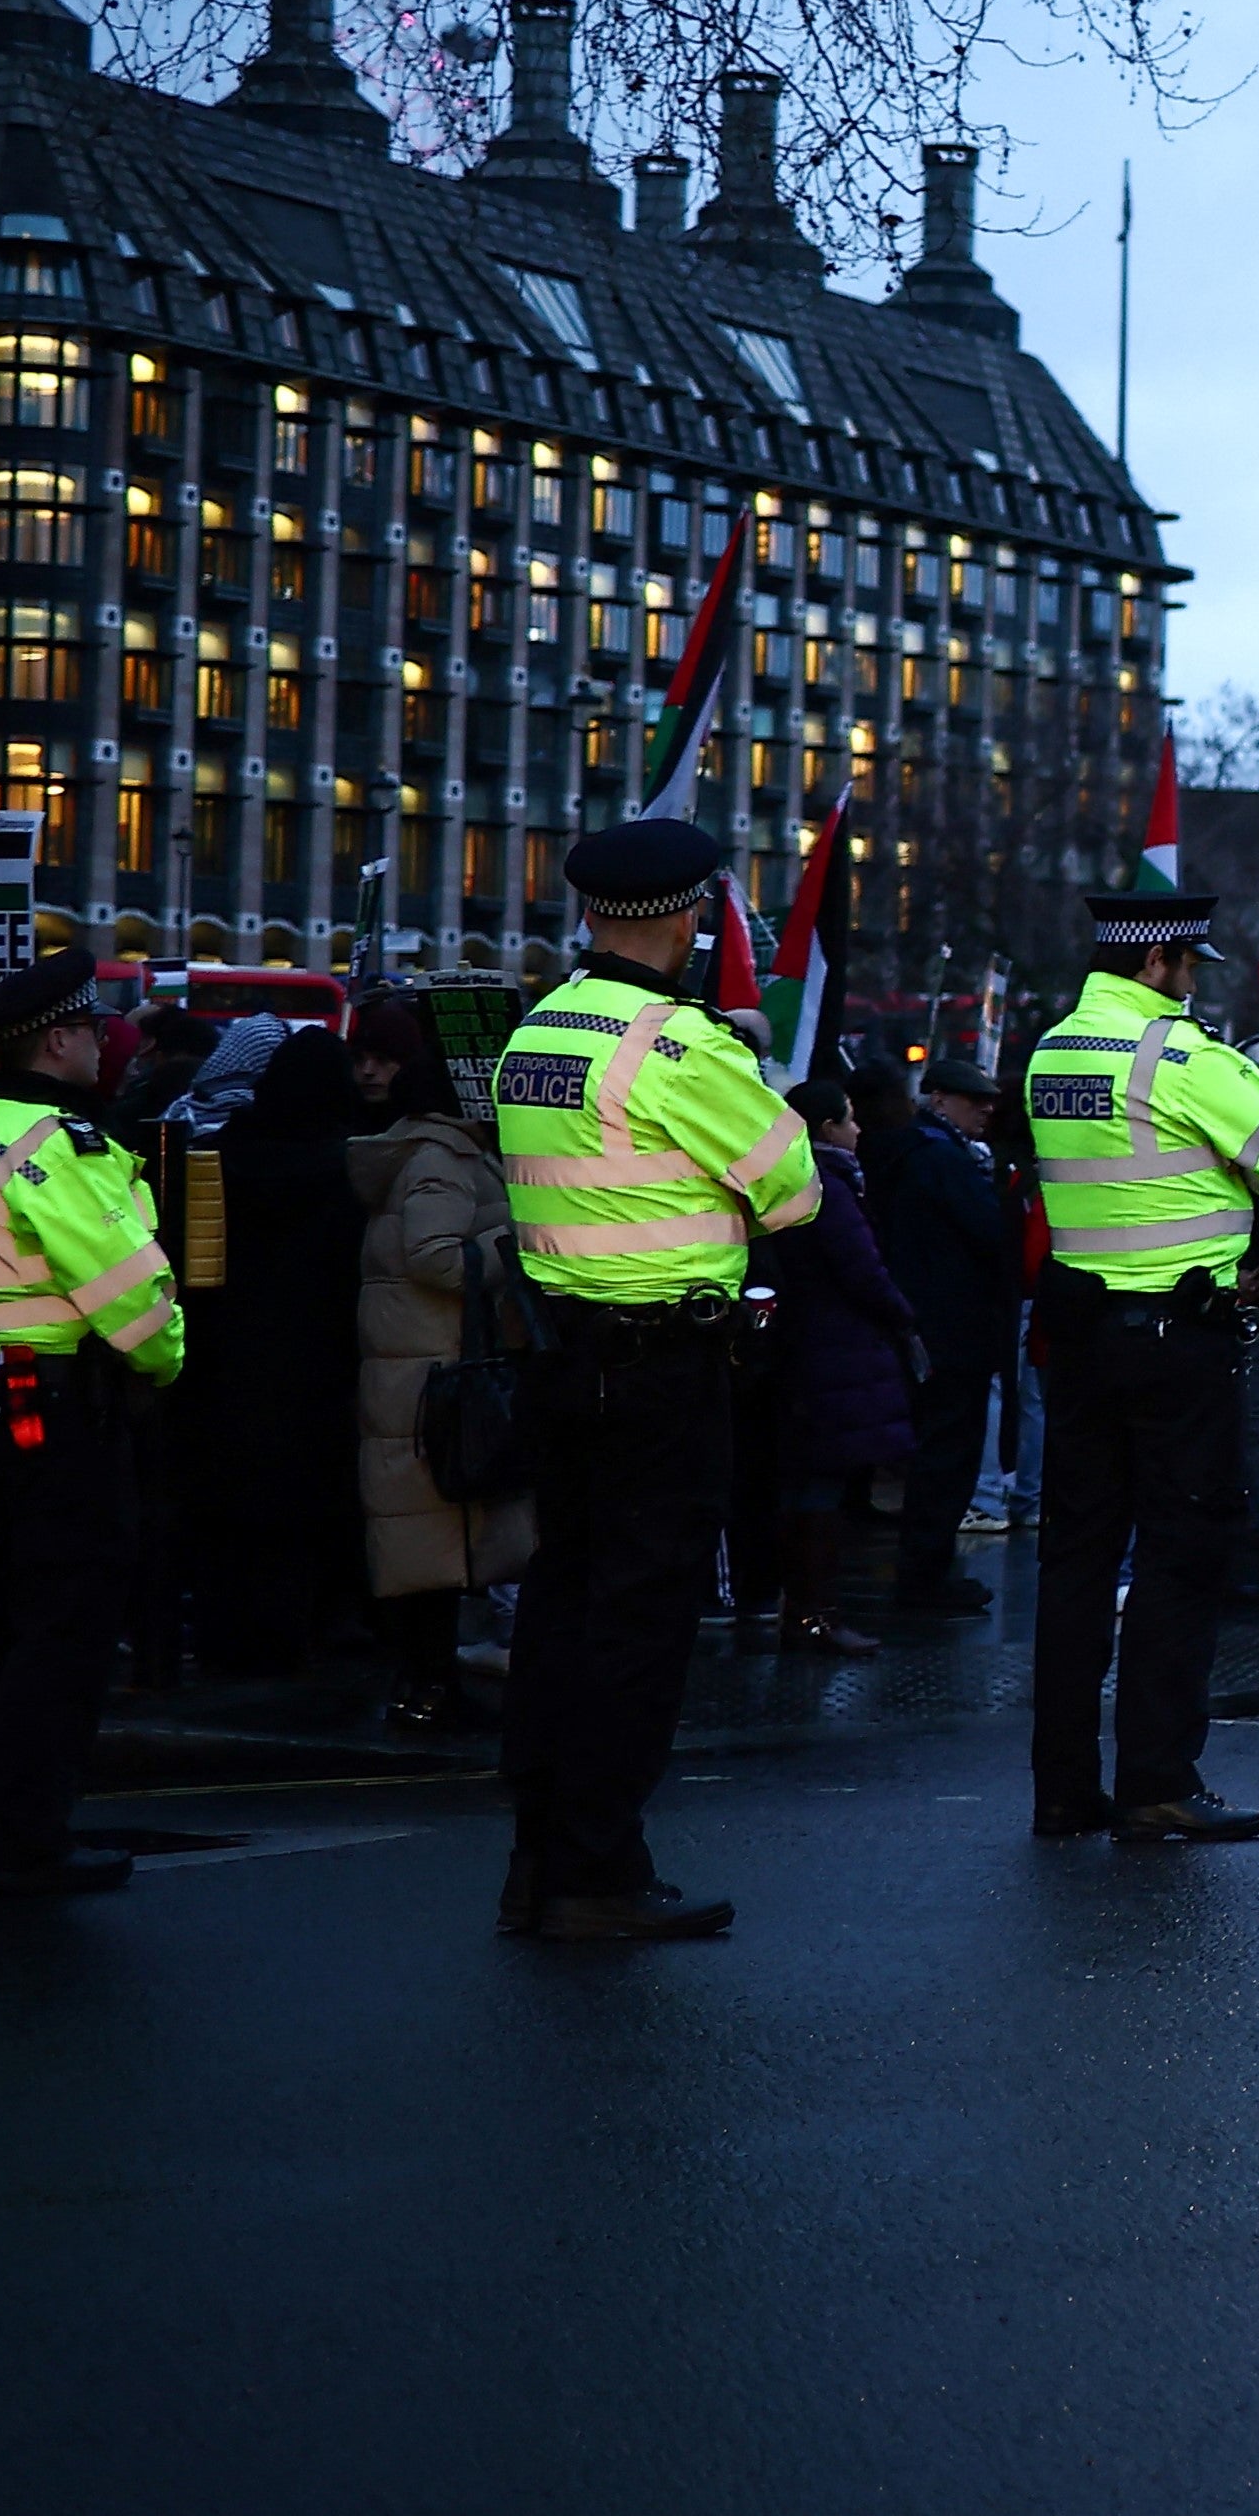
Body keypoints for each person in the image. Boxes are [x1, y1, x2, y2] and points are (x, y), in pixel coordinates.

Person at [491, 816, 824, 1943]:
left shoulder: (539, 1026)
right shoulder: (681, 1049)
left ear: (591, 913)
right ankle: (599, 1868)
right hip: (661, 1368)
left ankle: (538, 1858)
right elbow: (794, 1194)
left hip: (561, 1355)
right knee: (641, 1621)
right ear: (687, 917)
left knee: (561, 1607)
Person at [1018, 884, 1259, 1843]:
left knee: (1076, 1561)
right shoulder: (1179, 1054)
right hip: (1180, 1342)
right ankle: (1156, 1779)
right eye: (1187, 967)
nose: (1189, 985)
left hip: (1083, 1339)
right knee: (1181, 1559)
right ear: (1156, 963)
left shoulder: (1052, 1049)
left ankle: (1061, 1787)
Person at [0, 958, 177, 1897]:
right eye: (93, 1031)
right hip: (51, 1407)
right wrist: (164, 1361)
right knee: (60, 1627)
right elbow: (134, 1300)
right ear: (56, 1039)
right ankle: (25, 1838)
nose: (104, 1044)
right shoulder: (59, 1146)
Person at [345, 997, 528, 1736]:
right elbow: (433, 1255)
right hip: (433, 1377)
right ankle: (426, 1687)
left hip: (415, 1373)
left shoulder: (423, 1149)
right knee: (431, 1545)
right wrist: (509, 1242)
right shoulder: (440, 1158)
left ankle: (428, 1681)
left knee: (428, 1543)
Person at [193, 1004, 366, 1674]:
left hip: (228, 1361)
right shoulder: (346, 1172)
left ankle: (229, 1639)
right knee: (310, 1509)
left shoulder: (219, 1158)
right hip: (319, 1370)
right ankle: (306, 1636)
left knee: (233, 1513)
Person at [760, 1073, 920, 1655]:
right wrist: (903, 1315)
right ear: (826, 1127)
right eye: (849, 1119)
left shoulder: (786, 1180)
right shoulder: (828, 1187)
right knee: (818, 1491)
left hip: (804, 1349)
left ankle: (799, 1609)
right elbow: (861, 1270)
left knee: (805, 1485)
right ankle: (813, 1614)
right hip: (833, 1353)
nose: (858, 1130)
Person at [873, 1063, 1022, 1613]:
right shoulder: (943, 1160)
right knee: (949, 1451)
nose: (987, 1108)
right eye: (973, 1100)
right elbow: (989, 1232)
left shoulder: (908, 1153)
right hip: (956, 1326)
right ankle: (926, 1575)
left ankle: (924, 1569)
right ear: (938, 1099)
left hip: (928, 1321)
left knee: (937, 1447)